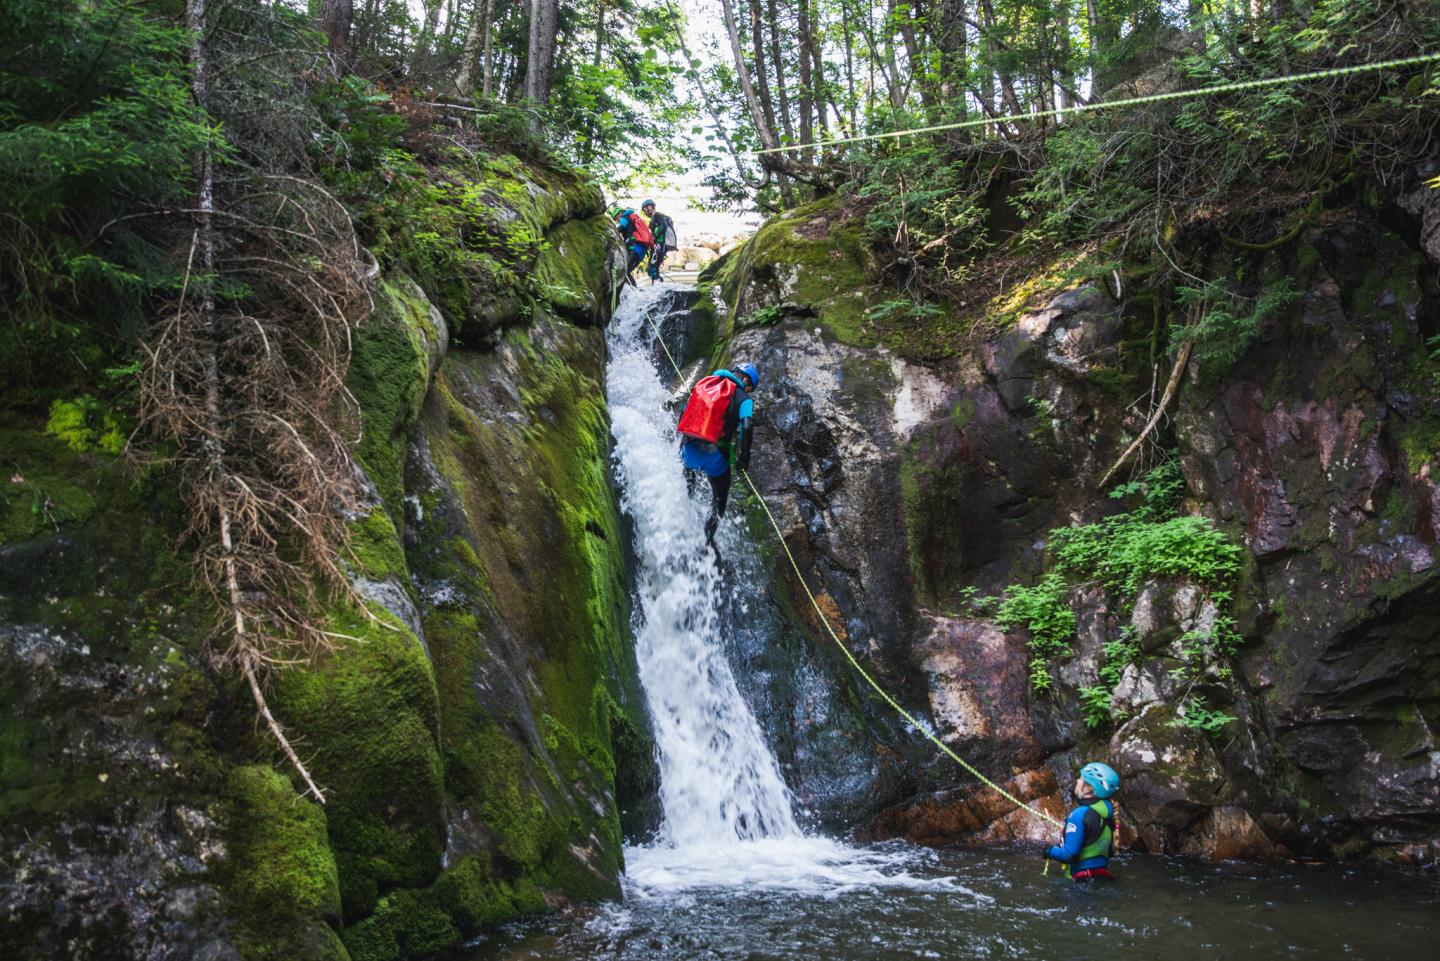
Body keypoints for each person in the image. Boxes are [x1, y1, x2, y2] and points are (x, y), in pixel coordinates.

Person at [678, 364, 758, 545]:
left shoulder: (707, 382)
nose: (749, 392)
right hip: (715, 459)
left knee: (688, 479)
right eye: (750, 388)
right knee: (719, 499)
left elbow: (685, 412)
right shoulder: (744, 399)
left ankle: (686, 509)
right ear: (746, 382)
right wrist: (744, 459)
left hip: (688, 451)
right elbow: (747, 425)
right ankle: (707, 540)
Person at [1044, 761, 1120, 881]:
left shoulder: (1079, 814)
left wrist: (1049, 851)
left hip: (1081, 881)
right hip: (1103, 877)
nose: (1078, 781)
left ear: (1089, 788)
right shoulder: (1108, 814)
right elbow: (1107, 851)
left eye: (1081, 778)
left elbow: (1069, 855)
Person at [614, 206, 653, 284]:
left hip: (635, 248)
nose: (617, 220)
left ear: (620, 213)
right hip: (640, 250)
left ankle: (634, 291)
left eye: (616, 217)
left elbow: (620, 227)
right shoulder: (632, 218)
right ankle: (633, 290)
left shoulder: (625, 216)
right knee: (626, 272)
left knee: (624, 272)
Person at [642, 200, 676, 284]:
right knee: (654, 267)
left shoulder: (658, 215)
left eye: (644, 210)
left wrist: (654, 236)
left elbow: (663, 226)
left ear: (650, 207)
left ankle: (658, 284)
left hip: (659, 245)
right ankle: (657, 283)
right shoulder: (653, 219)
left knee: (652, 266)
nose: (644, 212)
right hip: (660, 245)